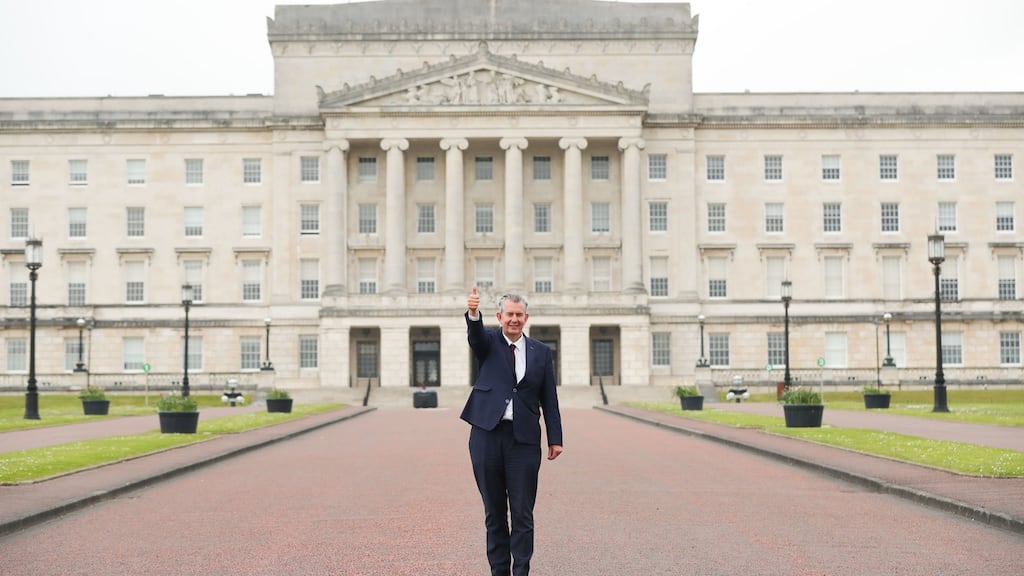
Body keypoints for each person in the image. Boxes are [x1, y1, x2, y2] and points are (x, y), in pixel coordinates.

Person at [461, 287, 563, 576]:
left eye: (519, 315)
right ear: (499, 317)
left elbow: (549, 397)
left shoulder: (541, 352)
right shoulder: (489, 343)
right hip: (486, 437)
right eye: (509, 315)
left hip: (524, 442)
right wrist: (472, 314)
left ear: (526, 317)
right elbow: (475, 337)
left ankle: (521, 572)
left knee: (522, 514)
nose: (514, 319)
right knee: (494, 514)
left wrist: (555, 438)